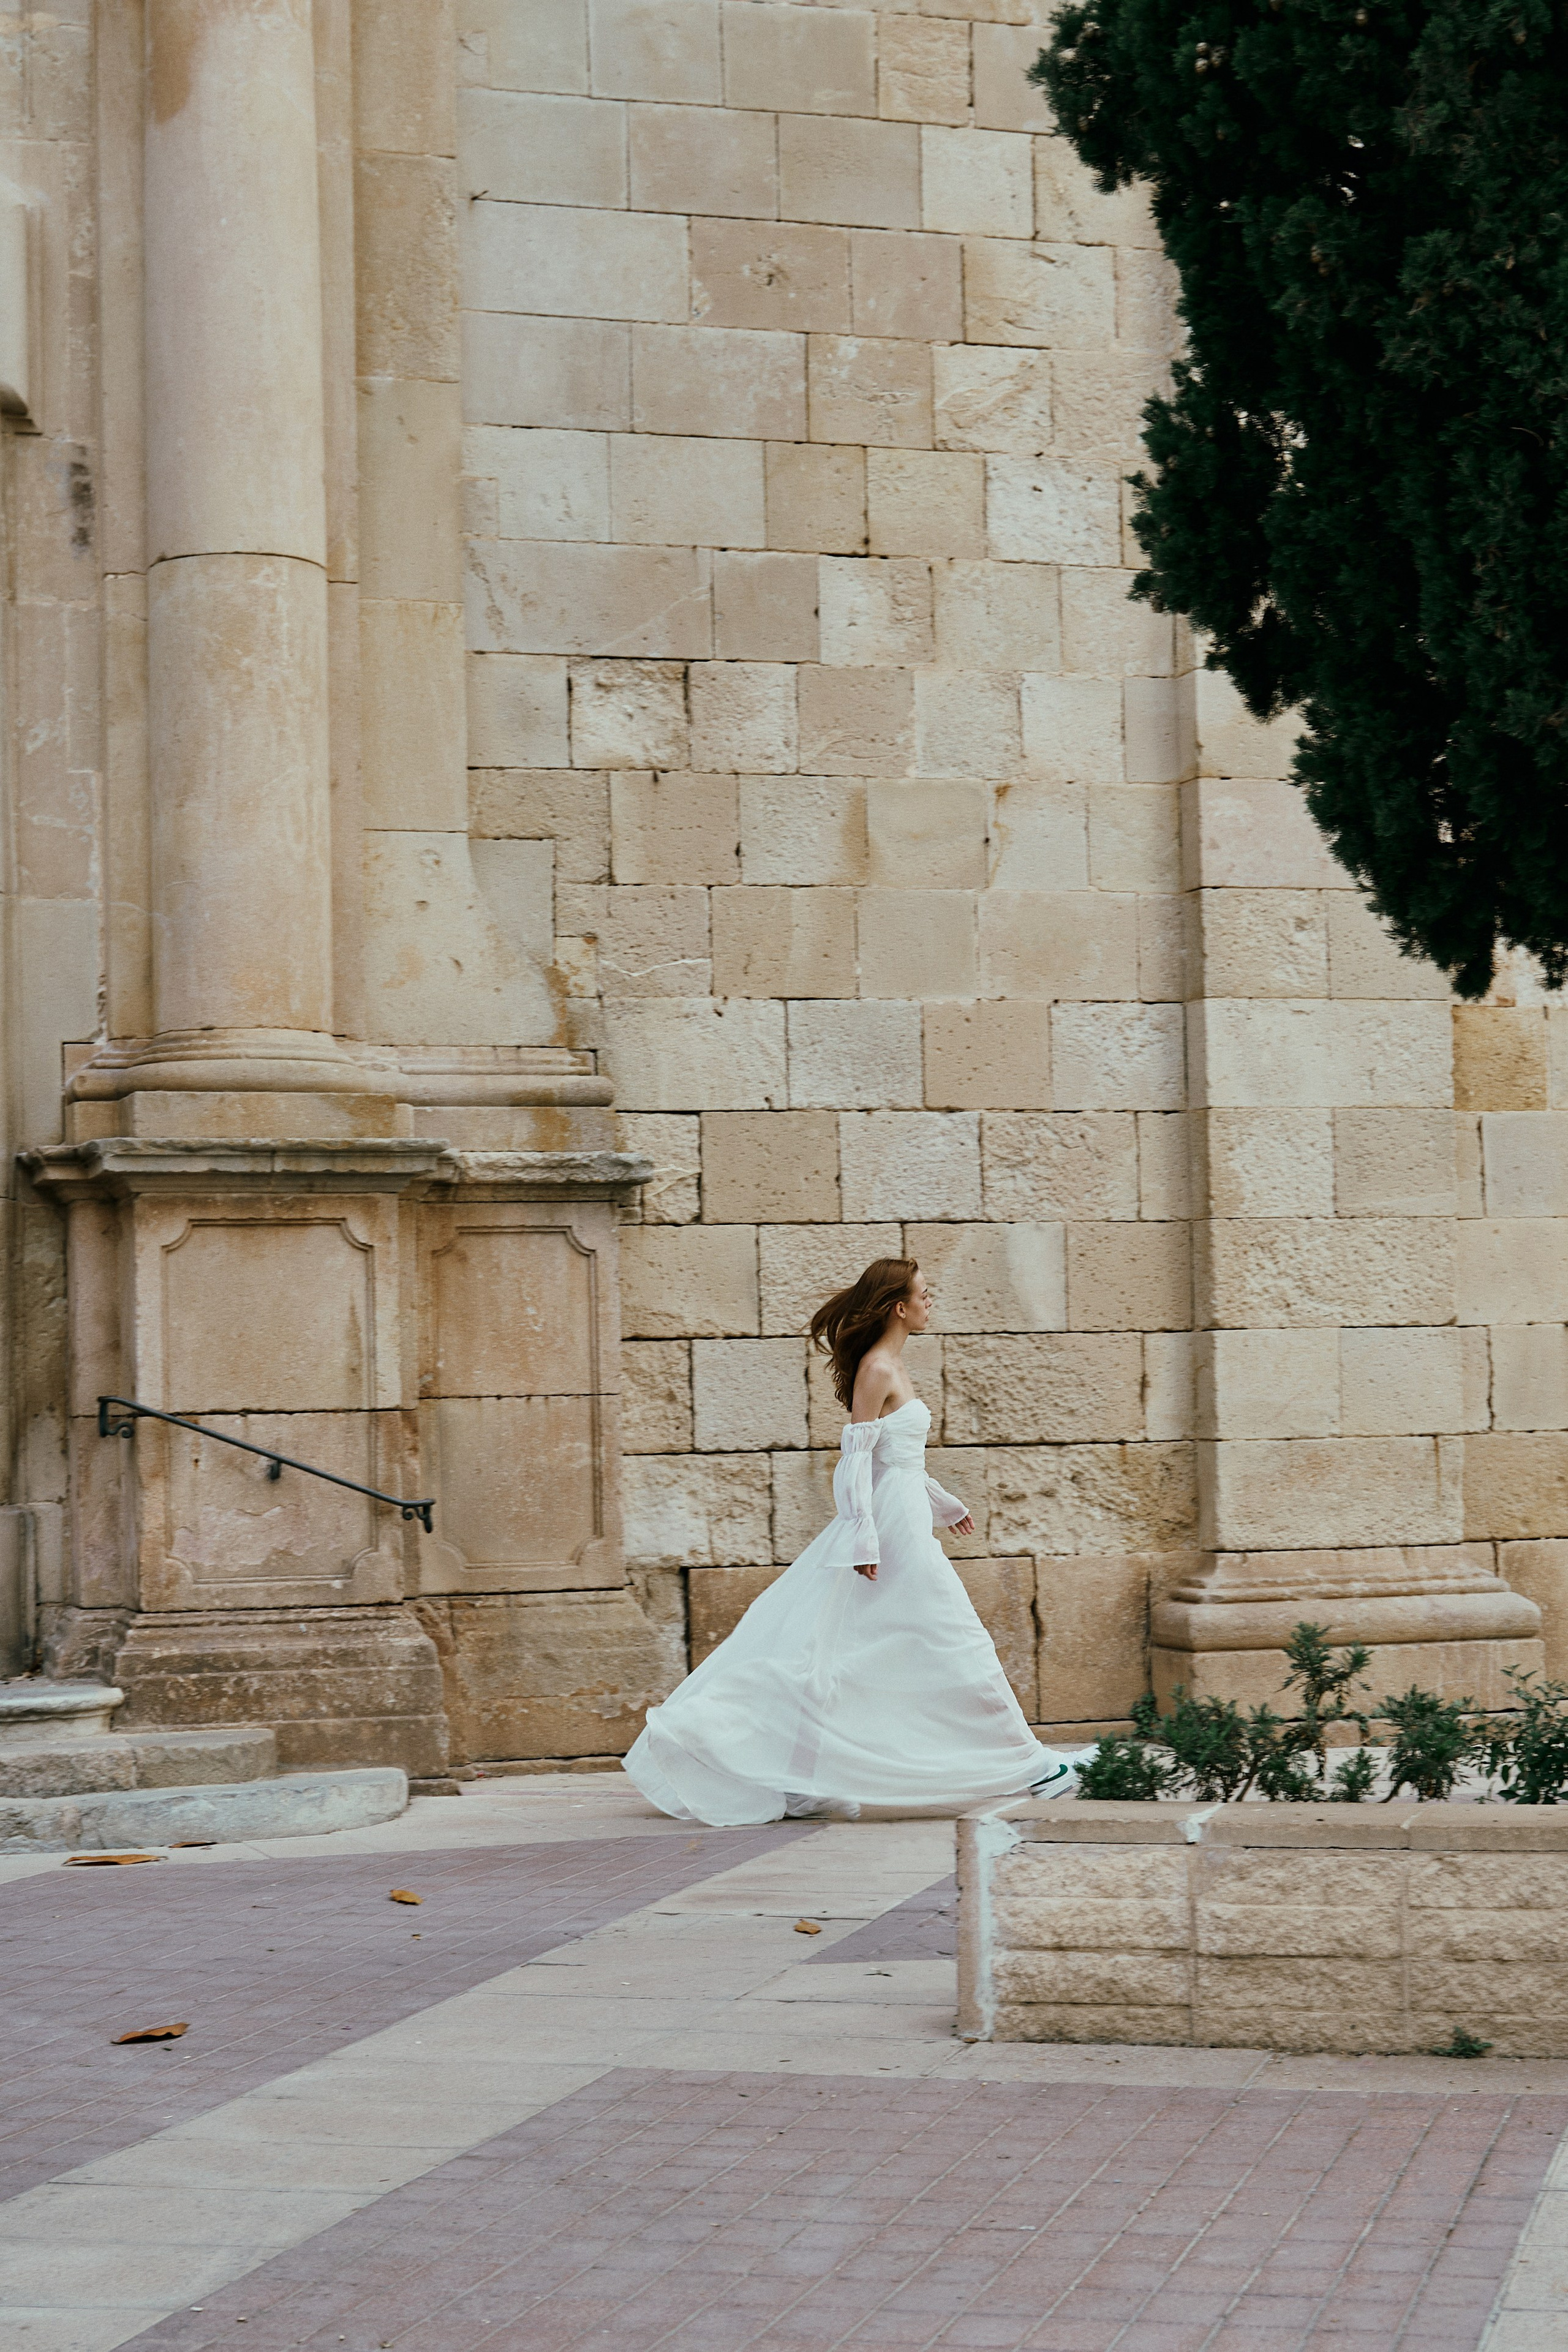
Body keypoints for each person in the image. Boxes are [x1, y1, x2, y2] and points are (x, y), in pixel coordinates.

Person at [624, 1256, 1087, 1826]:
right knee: (953, 1636)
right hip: (890, 1530)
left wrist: (946, 1505)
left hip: (907, 1517)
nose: (930, 1302)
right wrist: (863, 1537)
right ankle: (1032, 1767)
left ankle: (798, 1779)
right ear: (900, 1306)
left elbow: (902, 1460)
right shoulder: (877, 1370)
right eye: (924, 1294)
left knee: (837, 1650)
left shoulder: (895, 1365)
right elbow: (857, 1462)